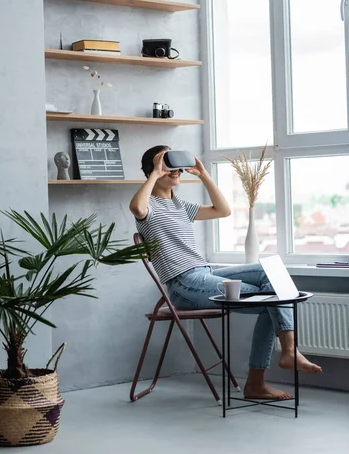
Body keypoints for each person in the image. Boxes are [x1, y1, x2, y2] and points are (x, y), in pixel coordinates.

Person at [129, 145, 322, 401]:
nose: (174, 169)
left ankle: (277, 363)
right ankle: (277, 364)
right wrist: (155, 172)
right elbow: (136, 208)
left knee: (272, 269)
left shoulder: (181, 205)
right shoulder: (149, 207)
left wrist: (203, 174)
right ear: (152, 169)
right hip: (184, 285)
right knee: (273, 299)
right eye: (166, 163)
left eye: (175, 164)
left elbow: (223, 210)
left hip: (204, 275)